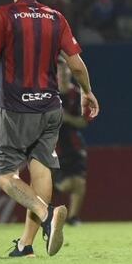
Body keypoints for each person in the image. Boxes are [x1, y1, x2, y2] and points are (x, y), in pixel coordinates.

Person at [0, 0, 100, 257]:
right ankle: (26, 244)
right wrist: (87, 92)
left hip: (15, 110)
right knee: (40, 172)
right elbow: (76, 64)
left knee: (5, 175)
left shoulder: (3, 16)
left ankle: (46, 215)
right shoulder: (56, 17)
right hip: (50, 110)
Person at [54, 57, 92, 226]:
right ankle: (56, 188)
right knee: (68, 183)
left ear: (69, 72)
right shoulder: (47, 95)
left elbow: (84, 121)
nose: (62, 74)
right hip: (53, 148)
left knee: (80, 182)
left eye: (64, 70)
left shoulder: (77, 95)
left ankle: (73, 218)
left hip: (74, 145)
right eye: (59, 71)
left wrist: (67, 117)